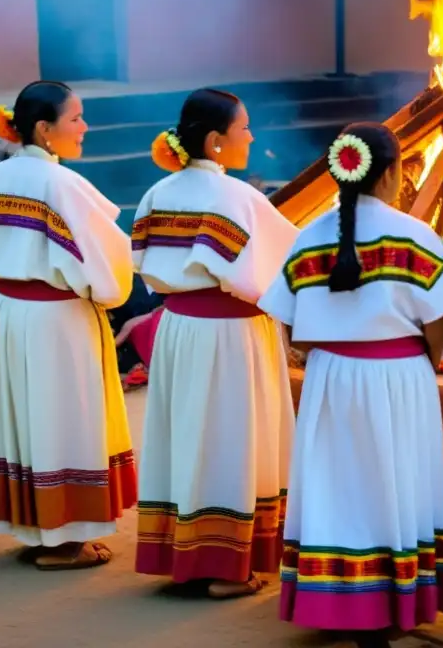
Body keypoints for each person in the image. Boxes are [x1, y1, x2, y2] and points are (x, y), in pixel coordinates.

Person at [258, 124, 443, 640]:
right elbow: (440, 317)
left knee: (338, 486)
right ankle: (394, 594)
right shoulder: (415, 236)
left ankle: (334, 599)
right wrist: (432, 351)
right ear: (395, 172)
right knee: (396, 482)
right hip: (401, 376)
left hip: (331, 376)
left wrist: (327, 349)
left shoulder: (308, 238)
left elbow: (286, 318)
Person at [133, 89, 299, 598]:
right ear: (215, 140)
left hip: (180, 330)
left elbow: (139, 263)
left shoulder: (157, 194)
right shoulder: (239, 199)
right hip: (232, 335)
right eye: (243, 127)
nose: (250, 136)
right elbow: (288, 267)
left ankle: (184, 552)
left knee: (188, 436)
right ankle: (227, 566)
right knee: (231, 440)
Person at [0, 81, 136, 569]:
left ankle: (36, 525)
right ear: (44, 130)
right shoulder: (60, 185)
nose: (85, 127)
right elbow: (107, 261)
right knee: (64, 416)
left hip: (7, 309)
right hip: (57, 316)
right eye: (76, 118)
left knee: (26, 415)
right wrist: (112, 294)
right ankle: (64, 536)